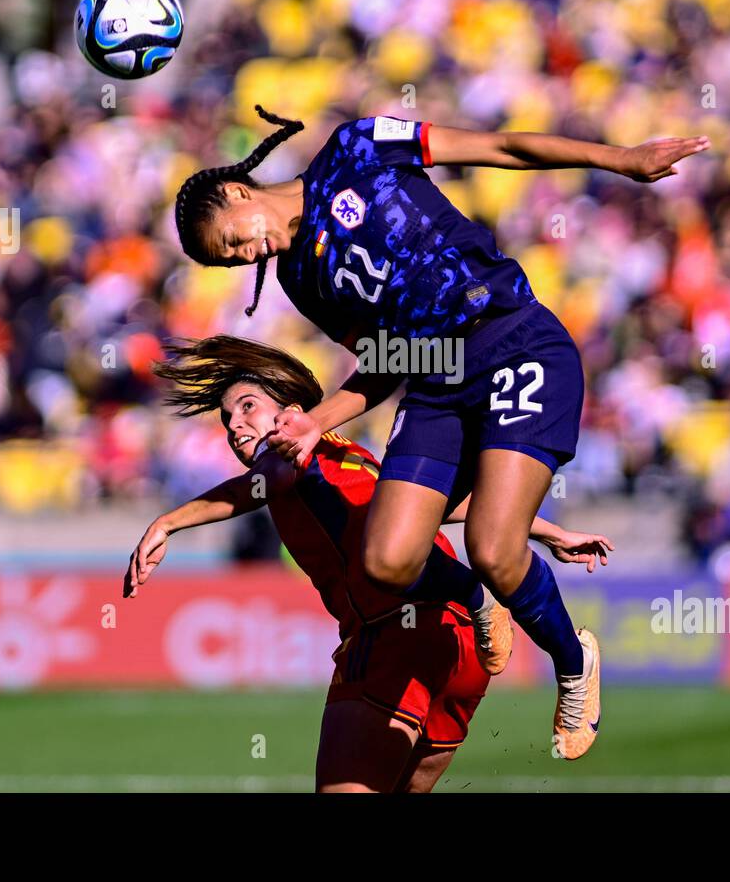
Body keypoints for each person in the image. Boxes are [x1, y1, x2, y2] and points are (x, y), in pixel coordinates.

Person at [173, 107, 689, 757]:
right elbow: (387, 360)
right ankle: (476, 597)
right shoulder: (302, 279)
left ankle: (571, 661)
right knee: (386, 559)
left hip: (515, 341)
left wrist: (619, 158)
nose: (249, 255)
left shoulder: (356, 149)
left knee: (496, 548)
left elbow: (497, 144)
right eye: (233, 260)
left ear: (239, 193)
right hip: (439, 384)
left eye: (236, 240)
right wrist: (315, 421)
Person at [123, 335, 612, 791]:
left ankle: (476, 594)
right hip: (456, 645)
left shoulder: (287, 459)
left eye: (247, 407)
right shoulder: (351, 456)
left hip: (392, 635)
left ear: (291, 411)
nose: (235, 426)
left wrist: (169, 521)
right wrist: (548, 531)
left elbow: (253, 488)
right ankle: (482, 601)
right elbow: (441, 506)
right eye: (227, 420)